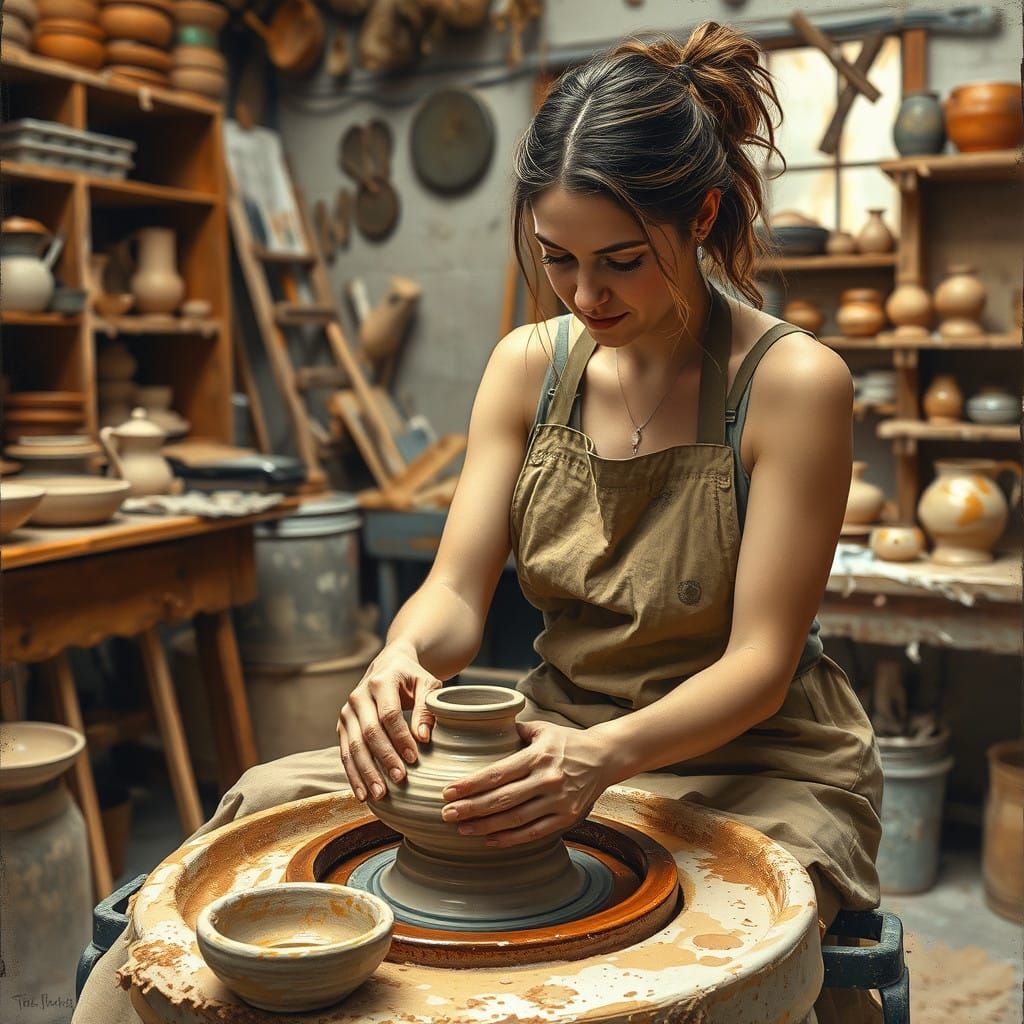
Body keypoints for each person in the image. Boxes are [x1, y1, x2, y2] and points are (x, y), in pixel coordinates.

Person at [74, 21, 881, 1024]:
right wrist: (399, 659)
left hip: (752, 754)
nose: (586, 294)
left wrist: (605, 757)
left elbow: (759, 663)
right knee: (262, 804)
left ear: (702, 214)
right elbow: (455, 592)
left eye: (622, 260)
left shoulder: (793, 384)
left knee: (742, 957)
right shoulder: (526, 366)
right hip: (557, 725)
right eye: (557, 259)